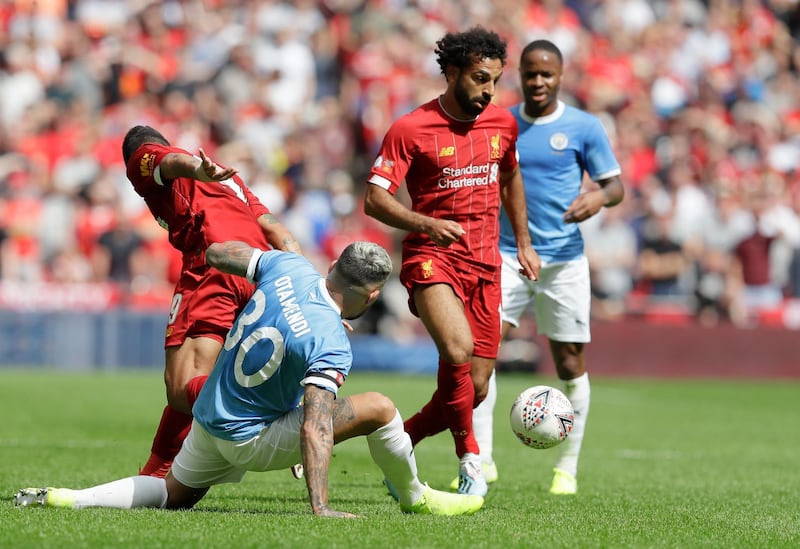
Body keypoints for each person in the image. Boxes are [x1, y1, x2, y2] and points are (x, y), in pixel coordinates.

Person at [14, 240, 484, 517]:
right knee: (381, 407)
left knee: (174, 496)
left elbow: (220, 251)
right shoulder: (331, 341)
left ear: (333, 266)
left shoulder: (289, 265)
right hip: (251, 437)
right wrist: (320, 505)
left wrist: (233, 257)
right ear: (373, 293)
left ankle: (68, 498)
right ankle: (415, 498)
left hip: (210, 415)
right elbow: (316, 425)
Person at [363, 27, 540, 497]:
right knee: (457, 350)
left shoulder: (503, 124)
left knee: (476, 387)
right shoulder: (410, 128)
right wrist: (424, 224)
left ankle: (402, 438)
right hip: (432, 258)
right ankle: (470, 459)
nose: (489, 91)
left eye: (495, 82)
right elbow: (374, 200)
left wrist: (523, 241)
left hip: (486, 264)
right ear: (453, 72)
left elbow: (511, 179)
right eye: (481, 79)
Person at [463, 39, 625, 495]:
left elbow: (615, 186)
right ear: (519, 75)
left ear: (561, 75)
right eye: (530, 74)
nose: (538, 82)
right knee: (483, 355)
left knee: (569, 361)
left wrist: (597, 196)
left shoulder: (584, 127)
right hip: (507, 254)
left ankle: (566, 469)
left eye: (546, 74)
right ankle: (483, 459)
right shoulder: (500, 121)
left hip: (565, 261)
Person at [121, 125, 302, 478]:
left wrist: (192, 169)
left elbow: (171, 161)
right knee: (202, 374)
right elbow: (279, 233)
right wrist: (308, 291)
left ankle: (275, 411)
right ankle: (158, 468)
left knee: (180, 388)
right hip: (259, 273)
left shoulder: (144, 156)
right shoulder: (232, 182)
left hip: (213, 264)